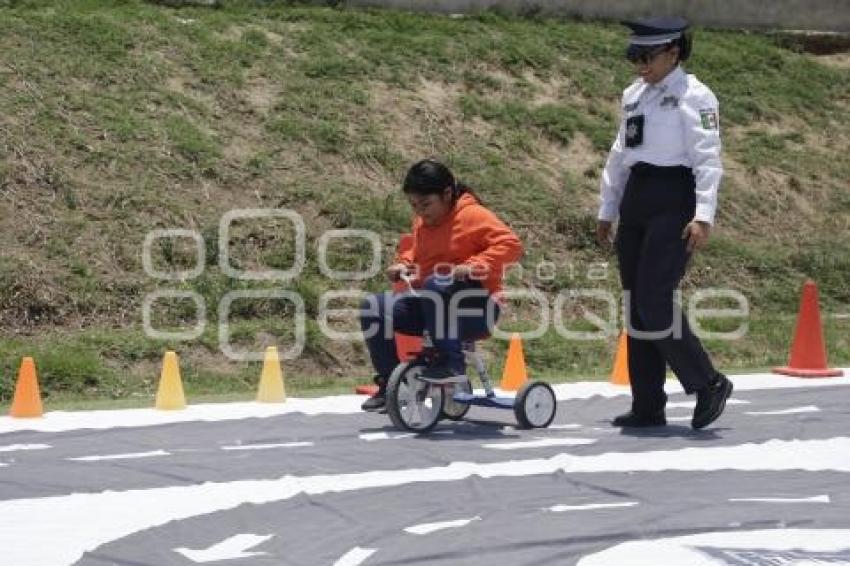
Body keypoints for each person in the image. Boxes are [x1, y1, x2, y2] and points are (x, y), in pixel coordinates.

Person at [596, 17, 733, 430]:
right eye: (634, 56)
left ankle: (708, 382)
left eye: (647, 56)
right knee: (636, 304)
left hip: (675, 197)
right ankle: (648, 404)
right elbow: (620, 154)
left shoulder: (696, 96)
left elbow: (708, 160)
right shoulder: (634, 95)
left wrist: (703, 215)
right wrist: (608, 208)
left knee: (655, 300)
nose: (640, 65)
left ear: (673, 52)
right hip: (638, 195)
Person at [359, 159, 523, 412]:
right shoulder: (422, 223)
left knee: (438, 283)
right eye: (414, 206)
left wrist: (473, 265)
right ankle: (393, 385)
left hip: (474, 310)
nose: (421, 212)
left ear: (447, 194)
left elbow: (511, 246)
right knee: (373, 306)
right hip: (430, 305)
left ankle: (450, 363)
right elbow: (416, 251)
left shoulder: (472, 215)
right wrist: (403, 264)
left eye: (426, 205)